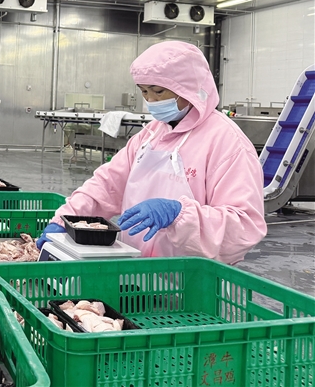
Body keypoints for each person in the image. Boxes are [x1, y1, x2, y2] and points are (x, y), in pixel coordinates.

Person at [36, 41, 267, 265]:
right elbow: (107, 184)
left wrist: (180, 215)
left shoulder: (227, 142)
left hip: (191, 278)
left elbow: (245, 226)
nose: (151, 100)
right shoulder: (151, 134)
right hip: (137, 272)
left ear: (188, 87)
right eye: (144, 91)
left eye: (158, 91)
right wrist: (65, 219)